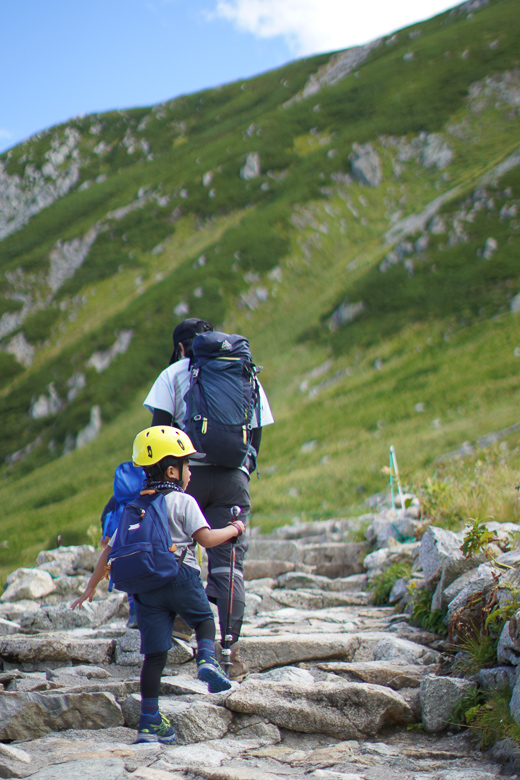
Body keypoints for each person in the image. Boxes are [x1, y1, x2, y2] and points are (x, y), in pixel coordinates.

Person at [71, 425, 245, 744]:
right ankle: (206, 661)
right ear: (171, 470)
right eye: (187, 464)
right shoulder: (183, 502)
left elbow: (107, 552)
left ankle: (149, 722)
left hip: (145, 590)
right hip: (180, 577)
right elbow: (206, 540)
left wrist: (90, 588)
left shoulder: (130, 508)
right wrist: (234, 529)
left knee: (154, 657)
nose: (190, 471)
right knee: (204, 621)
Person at [143, 318, 274, 681]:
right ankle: (228, 648)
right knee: (229, 559)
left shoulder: (174, 374)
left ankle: (174, 629)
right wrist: (243, 471)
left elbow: (159, 430)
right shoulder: (245, 373)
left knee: (177, 549)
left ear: (183, 348)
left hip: (188, 476)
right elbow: (257, 430)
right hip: (233, 477)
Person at [99, 460, 145, 629]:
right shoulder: (148, 495)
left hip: (122, 550)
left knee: (132, 579)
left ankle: (134, 614)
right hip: (146, 548)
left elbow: (105, 526)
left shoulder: (117, 499)